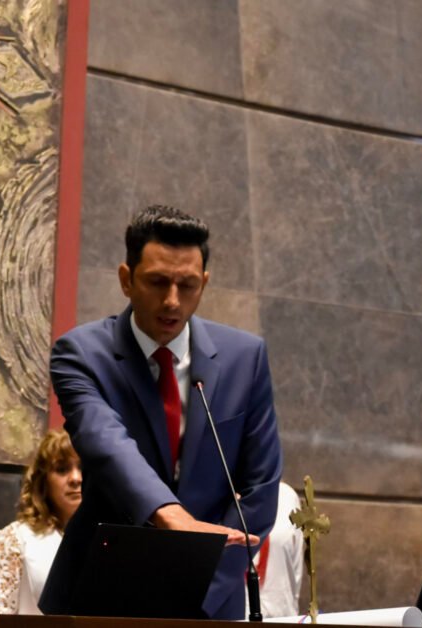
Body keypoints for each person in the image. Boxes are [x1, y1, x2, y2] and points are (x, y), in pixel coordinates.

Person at [40, 205, 282, 620]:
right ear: (126, 279)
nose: (172, 301)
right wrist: (171, 517)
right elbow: (106, 445)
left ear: (204, 283)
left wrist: (197, 591)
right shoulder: (81, 353)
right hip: (102, 591)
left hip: (211, 600)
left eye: (187, 285)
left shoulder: (246, 358)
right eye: (157, 282)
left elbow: (260, 488)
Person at [0, 429, 82, 615]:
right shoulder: (14, 539)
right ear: (44, 480)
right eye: (62, 469)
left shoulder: (106, 538)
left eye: (83, 468)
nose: (75, 478)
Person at [249, 481, 304, 618]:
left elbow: (295, 571)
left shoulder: (287, 495)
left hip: (281, 617)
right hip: (233, 619)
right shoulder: (217, 494)